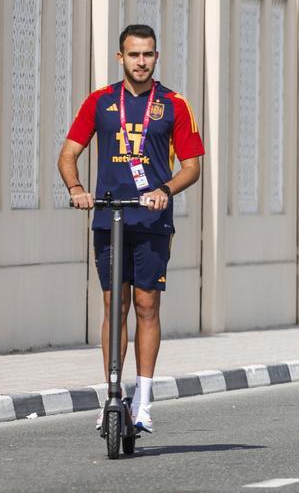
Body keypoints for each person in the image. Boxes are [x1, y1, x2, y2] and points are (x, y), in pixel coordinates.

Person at [58, 24, 204, 434]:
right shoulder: (100, 101)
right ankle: (112, 392)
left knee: (146, 306)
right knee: (114, 306)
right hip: (110, 218)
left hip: (152, 221)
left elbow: (192, 166)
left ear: (156, 57)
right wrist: (76, 189)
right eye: (134, 54)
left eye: (148, 54)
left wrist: (164, 190)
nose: (142, 62)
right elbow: (68, 153)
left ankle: (144, 401)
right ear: (120, 57)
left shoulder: (174, 104)